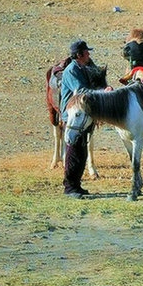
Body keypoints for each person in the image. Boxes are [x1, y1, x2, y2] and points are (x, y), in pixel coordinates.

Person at [59, 39, 101, 198]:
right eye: (86, 52)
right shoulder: (71, 70)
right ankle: (69, 187)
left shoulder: (83, 67)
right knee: (72, 152)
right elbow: (81, 90)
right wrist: (102, 93)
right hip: (72, 116)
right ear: (79, 55)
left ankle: (76, 185)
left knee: (81, 152)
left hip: (82, 115)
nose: (89, 54)